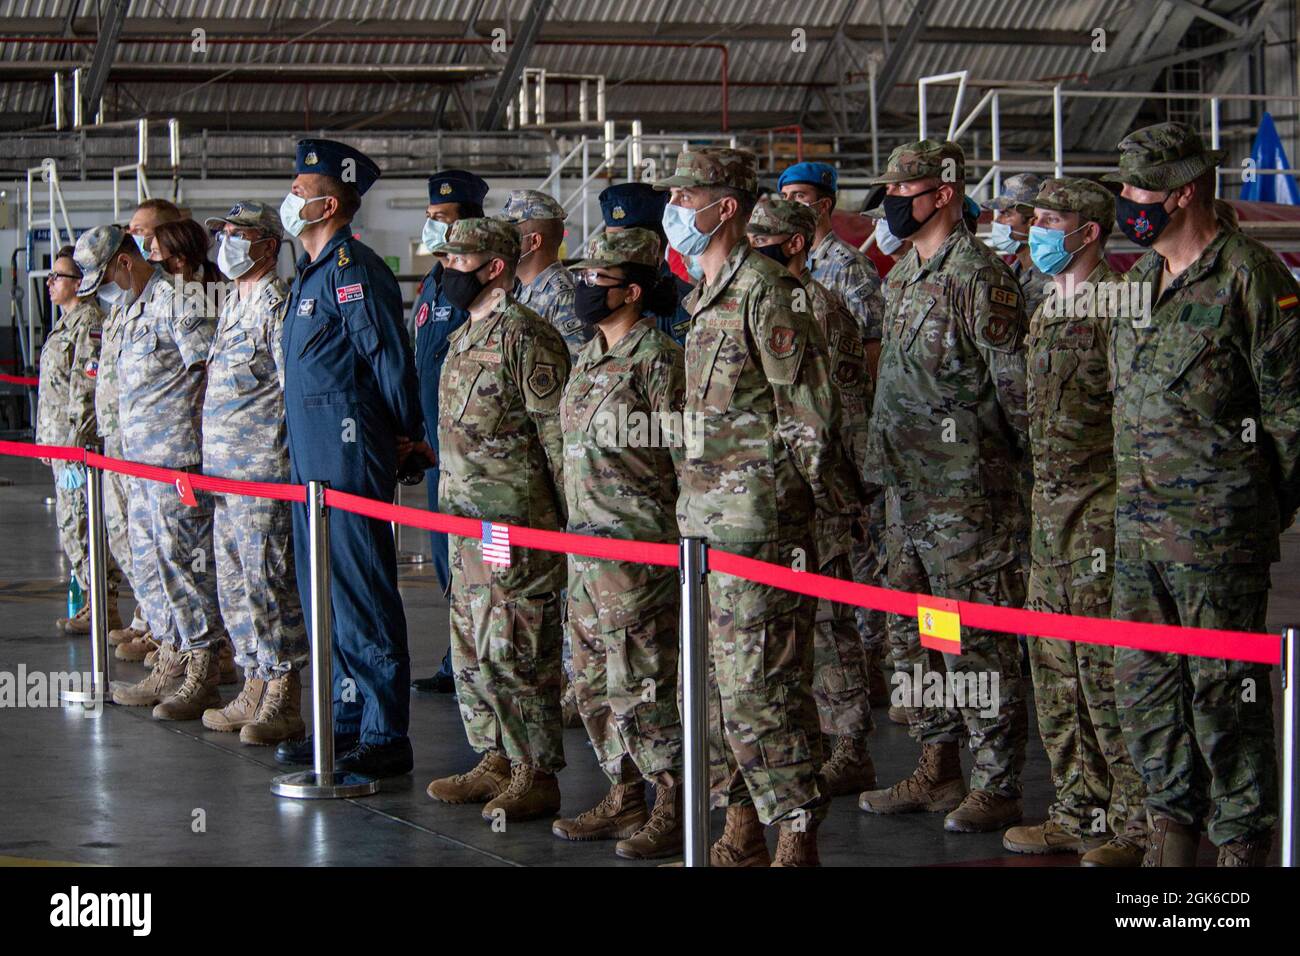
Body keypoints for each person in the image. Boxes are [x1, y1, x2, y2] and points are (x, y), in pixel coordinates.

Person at [655, 147, 861, 867]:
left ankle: (795, 834)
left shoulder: (769, 293)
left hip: (762, 528)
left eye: (687, 196)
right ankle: (740, 824)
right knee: (712, 691)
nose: (675, 208)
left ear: (727, 207)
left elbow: (809, 416)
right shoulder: (705, 296)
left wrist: (822, 517)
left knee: (763, 689)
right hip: (704, 527)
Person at [1104, 122, 1298, 866]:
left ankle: (1242, 844)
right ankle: (1170, 832)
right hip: (1137, 533)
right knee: (1146, 690)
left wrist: (1256, 511)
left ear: (1183, 192)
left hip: (1218, 536)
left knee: (1225, 696)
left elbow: (1291, 414)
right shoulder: (1134, 282)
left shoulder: (1252, 276)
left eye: (1139, 188)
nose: (1128, 200)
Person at [858, 140, 1030, 834]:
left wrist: (1013, 486)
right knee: (919, 635)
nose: (894, 207)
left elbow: (1016, 395)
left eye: (905, 194)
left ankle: (997, 781)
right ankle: (937, 764)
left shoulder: (979, 278)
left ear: (945, 193)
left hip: (967, 501)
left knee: (976, 640)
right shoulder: (904, 273)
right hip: (907, 495)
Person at [997, 177, 1147, 867]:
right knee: (1056, 674)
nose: (1037, 231)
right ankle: (1077, 809)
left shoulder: (1117, 307)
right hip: (1048, 517)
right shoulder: (1046, 306)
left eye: (1051, 221)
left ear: (1089, 232)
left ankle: (1134, 822)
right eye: (1036, 219)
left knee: (1106, 676)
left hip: (1099, 520)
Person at [271, 139, 431, 778]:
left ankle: (383, 732)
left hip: (347, 453)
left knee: (360, 591)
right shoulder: (308, 275)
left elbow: (387, 357)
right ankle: (341, 722)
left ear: (329, 204)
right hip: (310, 460)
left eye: (300, 190)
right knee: (324, 596)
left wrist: (406, 434)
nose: (290, 199)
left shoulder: (352, 270)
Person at [423, 218, 571, 821]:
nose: (446, 272)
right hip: (467, 525)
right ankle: (495, 756)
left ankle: (535, 770)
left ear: (495, 267)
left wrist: (568, 525)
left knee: (516, 646)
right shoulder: (464, 334)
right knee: (472, 646)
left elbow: (557, 437)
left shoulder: (525, 335)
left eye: (458, 261)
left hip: (514, 524)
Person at [550, 228, 686, 859]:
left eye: (596, 280)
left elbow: (685, 455)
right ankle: (623, 791)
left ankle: (671, 803)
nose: (583, 289)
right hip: (585, 551)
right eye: (581, 277)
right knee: (591, 682)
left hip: (638, 552)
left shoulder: (658, 359)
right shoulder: (587, 356)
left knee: (642, 680)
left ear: (631, 292)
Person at [745, 197, 877, 798]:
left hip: (820, 491)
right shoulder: (757, 299)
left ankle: (848, 744)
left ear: (795, 243)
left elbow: (845, 409)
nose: (754, 248)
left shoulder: (818, 307)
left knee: (828, 625)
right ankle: (810, 740)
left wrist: (843, 497)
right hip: (772, 491)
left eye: (764, 239)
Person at [78, 225, 226, 721]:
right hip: (137, 463)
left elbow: (208, 372)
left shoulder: (178, 301)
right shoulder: (127, 309)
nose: (106, 288)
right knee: (153, 566)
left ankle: (203, 669)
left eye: (106, 276)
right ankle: (169, 656)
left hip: (175, 460)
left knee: (185, 566)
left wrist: (199, 447)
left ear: (125, 261)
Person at [198, 201, 309, 746]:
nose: (227, 244)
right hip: (225, 477)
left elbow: (292, 394)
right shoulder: (233, 304)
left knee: (269, 585)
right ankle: (254, 681)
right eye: (223, 234)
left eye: (238, 235)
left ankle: (283, 694)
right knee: (235, 586)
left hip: (263, 474)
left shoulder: (275, 306)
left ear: (267, 245)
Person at [779, 161, 890, 704]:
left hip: (845, 431)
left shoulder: (848, 268)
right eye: (784, 195)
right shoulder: (780, 275)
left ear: (824, 204)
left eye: (800, 195)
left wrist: (853, 423)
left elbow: (872, 351)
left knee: (859, 557)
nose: (791, 204)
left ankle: (871, 667)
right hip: (808, 435)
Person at [410, 168, 489, 695]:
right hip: (435, 447)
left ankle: (482, 661)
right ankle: (457, 656)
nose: (432, 226)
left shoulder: (477, 286)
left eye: (442, 217)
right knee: (445, 556)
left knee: (479, 562)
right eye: (429, 216)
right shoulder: (431, 284)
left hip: (474, 452)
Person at [103, 199, 183, 658]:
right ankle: (154, 624)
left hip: (169, 449)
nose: (133, 239)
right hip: (132, 444)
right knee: (141, 543)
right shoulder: (132, 299)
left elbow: (198, 373)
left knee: (179, 555)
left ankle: (183, 644)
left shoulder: (184, 294)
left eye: (141, 231)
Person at [37, 246, 122, 633]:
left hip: (77, 446)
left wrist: (72, 444)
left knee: (83, 523)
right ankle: (94, 600)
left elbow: (84, 390)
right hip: (60, 444)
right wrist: (47, 442)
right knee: (71, 524)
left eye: (59, 276)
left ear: (79, 283)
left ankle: (101, 602)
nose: (51, 282)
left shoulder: (88, 323)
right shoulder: (64, 323)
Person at [501, 189, 592, 360]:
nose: (501, 242)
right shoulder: (520, 287)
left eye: (508, 235)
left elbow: (578, 366)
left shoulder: (563, 297)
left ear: (534, 241)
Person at [598, 182, 692, 344]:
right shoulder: (602, 295)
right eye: (608, 241)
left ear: (650, 242)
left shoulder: (684, 303)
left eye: (620, 242)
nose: (608, 252)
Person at [983, 173, 1052, 318]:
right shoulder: (1011, 272)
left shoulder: (1055, 277)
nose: (997, 220)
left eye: (1007, 214)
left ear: (1032, 222)